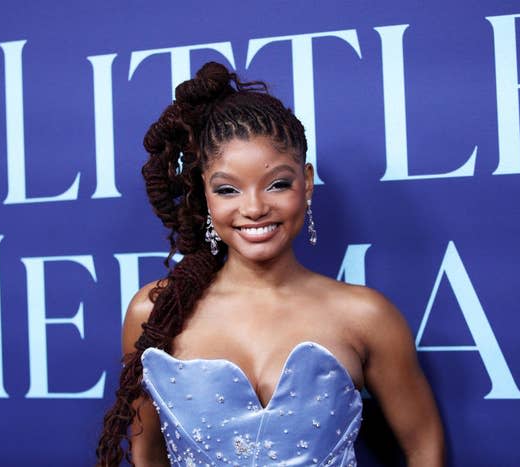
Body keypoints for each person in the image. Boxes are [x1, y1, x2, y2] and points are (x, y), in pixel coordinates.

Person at [97, 62, 444, 466]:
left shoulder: (367, 317)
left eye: (278, 183)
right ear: (205, 196)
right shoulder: (155, 313)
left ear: (307, 182)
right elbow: (146, 454)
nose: (255, 208)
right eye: (228, 189)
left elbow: (425, 448)